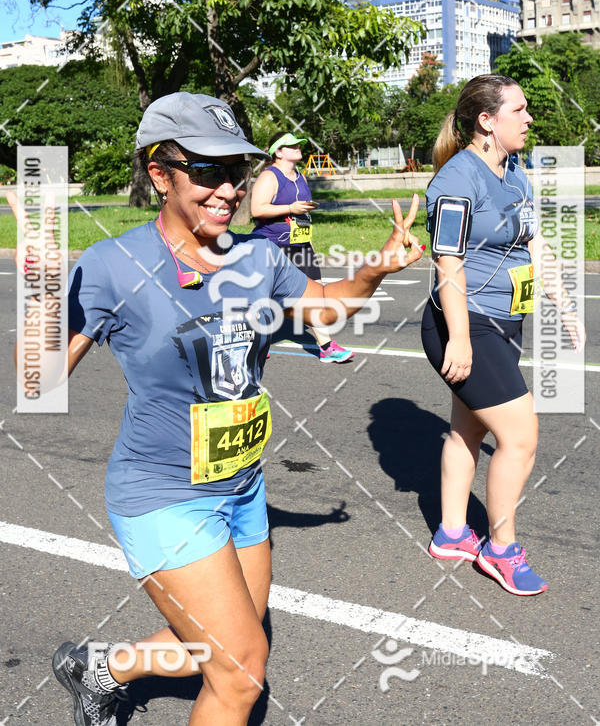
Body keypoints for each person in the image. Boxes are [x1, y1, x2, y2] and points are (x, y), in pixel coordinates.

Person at [11, 92, 422, 726]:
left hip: (241, 484)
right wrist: (40, 271)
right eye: (205, 171)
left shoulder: (255, 256)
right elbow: (38, 382)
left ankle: (101, 668)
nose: (227, 188)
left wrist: (375, 271)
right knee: (240, 672)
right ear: (159, 174)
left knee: (228, 644)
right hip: (162, 490)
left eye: (236, 171)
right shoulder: (114, 266)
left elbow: (321, 308)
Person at [421, 74, 584, 597]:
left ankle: (450, 533)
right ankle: (501, 548)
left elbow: (532, 242)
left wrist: (563, 303)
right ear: (487, 121)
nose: (530, 118)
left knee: (467, 430)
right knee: (520, 436)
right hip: (465, 321)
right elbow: (449, 265)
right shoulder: (455, 181)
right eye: (520, 110)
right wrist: (461, 339)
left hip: (506, 318)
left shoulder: (515, 171)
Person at [251, 131, 355, 362]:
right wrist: (290, 209)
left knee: (316, 294)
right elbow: (257, 209)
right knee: (265, 296)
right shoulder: (269, 177)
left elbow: (304, 214)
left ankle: (327, 347)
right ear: (278, 152)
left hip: (300, 245)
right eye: (292, 145)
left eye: (300, 145)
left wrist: (309, 241)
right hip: (272, 245)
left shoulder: (301, 177)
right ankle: (257, 341)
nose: (299, 147)